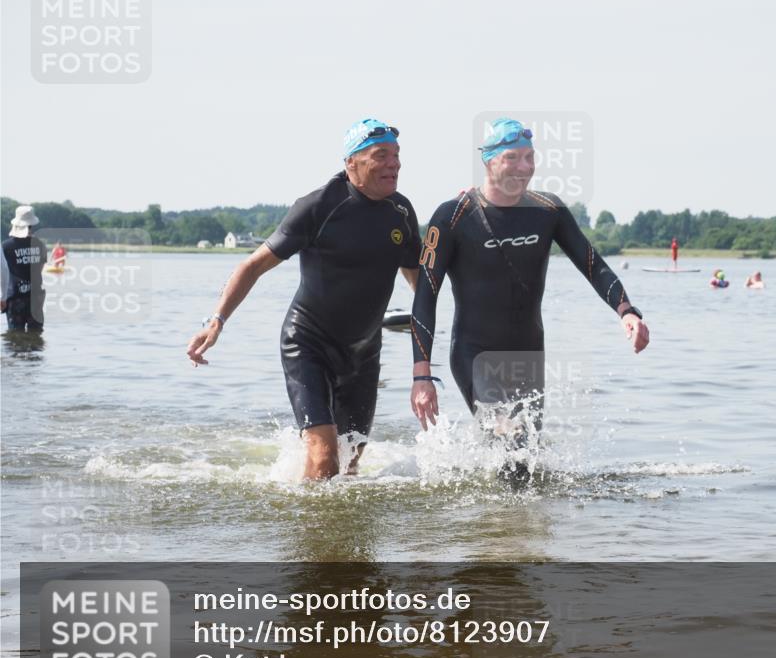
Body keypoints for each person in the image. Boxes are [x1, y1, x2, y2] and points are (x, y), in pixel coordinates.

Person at [186, 118, 421, 480]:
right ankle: (307, 515)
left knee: (349, 464)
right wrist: (215, 322)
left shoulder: (401, 212)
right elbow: (252, 266)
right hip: (308, 345)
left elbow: (418, 280)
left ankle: (329, 517)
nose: (394, 164)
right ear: (351, 162)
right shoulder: (319, 206)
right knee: (325, 457)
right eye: (381, 155)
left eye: (397, 155)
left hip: (364, 352)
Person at [409, 118, 650, 470]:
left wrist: (626, 311)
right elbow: (425, 296)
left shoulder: (547, 211)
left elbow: (592, 264)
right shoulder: (454, 216)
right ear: (488, 160)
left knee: (524, 464)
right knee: (509, 439)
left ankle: (496, 500)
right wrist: (422, 374)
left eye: (530, 157)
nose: (524, 167)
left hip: (528, 356)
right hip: (475, 355)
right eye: (512, 158)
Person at [2, 205, 47, 332]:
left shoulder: (5, 246)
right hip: (36, 298)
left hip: (15, 298)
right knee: (36, 335)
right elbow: (40, 269)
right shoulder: (40, 244)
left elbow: (2, 273)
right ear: (31, 225)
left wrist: (2, 297)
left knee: (15, 337)